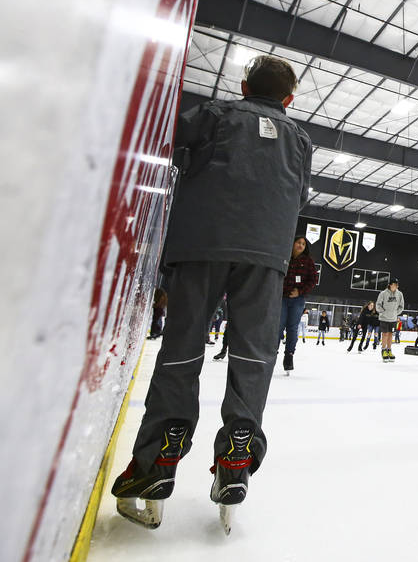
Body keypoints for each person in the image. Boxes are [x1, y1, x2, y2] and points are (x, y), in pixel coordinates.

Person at [110, 55, 311, 532]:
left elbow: (162, 135)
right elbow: (300, 195)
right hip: (265, 258)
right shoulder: (301, 140)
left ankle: (157, 463)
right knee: (254, 358)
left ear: (243, 85)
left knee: (181, 353)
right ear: (289, 99)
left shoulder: (216, 115)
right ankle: (236, 458)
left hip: (201, 246)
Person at [271, 237, 317, 370]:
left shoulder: (307, 261)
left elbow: (313, 279)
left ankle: (289, 355)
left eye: (303, 244)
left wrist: (300, 291)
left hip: (298, 300)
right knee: (278, 327)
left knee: (292, 328)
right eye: (299, 243)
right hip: (281, 298)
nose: (301, 245)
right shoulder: (284, 256)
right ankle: (272, 354)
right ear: (292, 243)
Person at [375, 279, 405, 362]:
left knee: (391, 334)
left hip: (393, 319)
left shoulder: (399, 294)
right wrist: (383, 312)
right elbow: (378, 305)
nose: (396, 286)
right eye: (395, 284)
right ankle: (383, 350)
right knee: (385, 334)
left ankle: (389, 350)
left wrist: (395, 313)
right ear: (390, 285)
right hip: (384, 318)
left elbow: (401, 306)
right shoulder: (383, 293)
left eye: (397, 284)